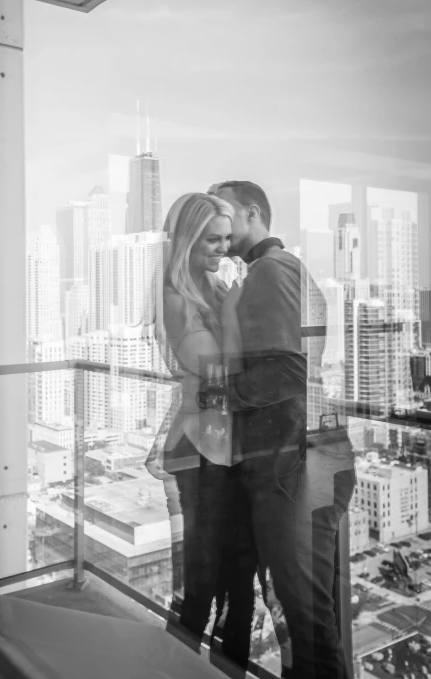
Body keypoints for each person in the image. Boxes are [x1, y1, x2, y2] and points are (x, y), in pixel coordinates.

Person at [209, 180, 356, 679]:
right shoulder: (277, 270)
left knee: (307, 622)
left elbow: (286, 373)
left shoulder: (271, 272)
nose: (218, 224)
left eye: (224, 211)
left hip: (295, 462)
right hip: (303, 455)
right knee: (309, 615)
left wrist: (212, 396)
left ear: (252, 214)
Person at [147, 192, 256, 673]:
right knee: (201, 583)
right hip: (199, 448)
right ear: (189, 240)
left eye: (228, 239)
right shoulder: (176, 295)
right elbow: (218, 371)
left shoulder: (210, 286)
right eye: (213, 239)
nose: (224, 248)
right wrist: (235, 311)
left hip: (222, 446)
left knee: (236, 577)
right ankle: (177, 668)